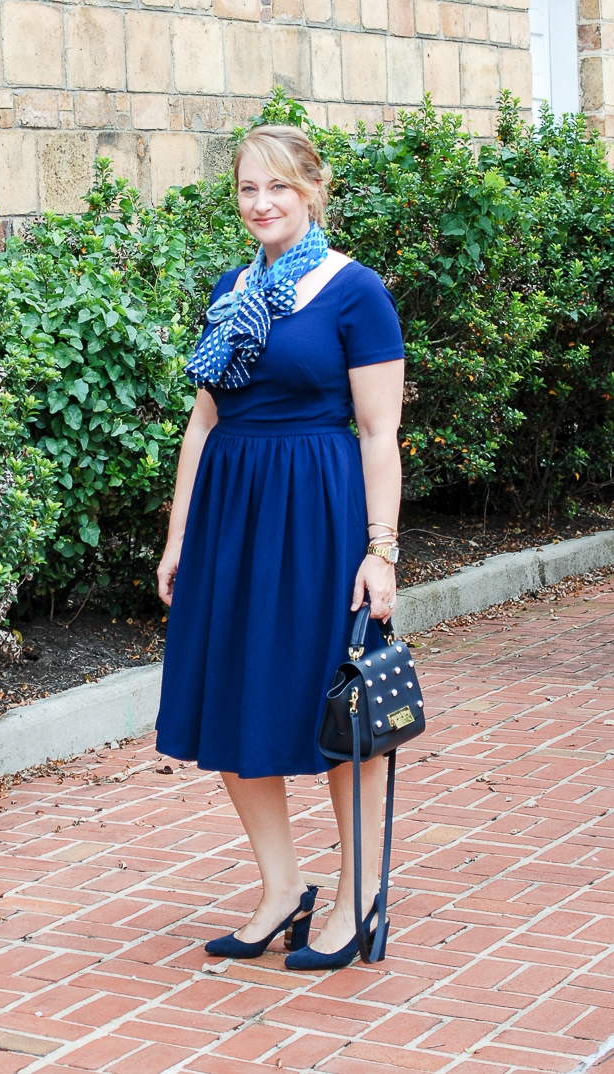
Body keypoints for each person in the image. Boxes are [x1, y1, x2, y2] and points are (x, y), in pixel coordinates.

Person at [155, 124, 405, 971]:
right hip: (231, 513)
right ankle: (279, 888)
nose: (261, 205)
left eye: (279, 190)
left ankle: (357, 894)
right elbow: (203, 421)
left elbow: (379, 432)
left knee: (333, 709)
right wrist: (180, 534)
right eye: (247, 191)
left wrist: (382, 551)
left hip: (316, 515)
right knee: (229, 695)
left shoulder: (354, 291)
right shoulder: (233, 290)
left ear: (313, 191)